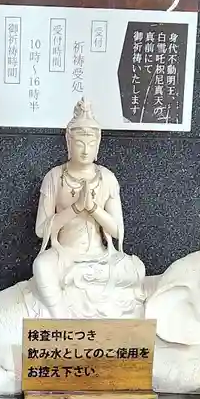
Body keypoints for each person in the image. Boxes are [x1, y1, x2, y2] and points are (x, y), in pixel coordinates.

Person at [30, 98, 145, 318]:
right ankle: (59, 317)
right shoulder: (54, 177)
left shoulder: (107, 178)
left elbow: (117, 230)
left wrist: (92, 208)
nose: (85, 150)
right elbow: (41, 230)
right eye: (79, 144)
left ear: (98, 145)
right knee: (41, 266)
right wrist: (75, 208)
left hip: (100, 256)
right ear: (68, 142)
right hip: (65, 254)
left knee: (137, 270)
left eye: (91, 144)